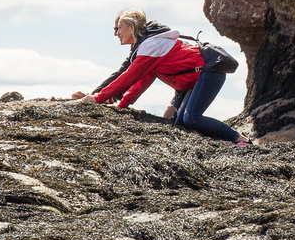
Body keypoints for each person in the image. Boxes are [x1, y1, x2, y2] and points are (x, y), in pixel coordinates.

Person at [73, 9, 249, 145]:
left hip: (209, 73)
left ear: (131, 27)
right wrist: (122, 105)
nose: (116, 33)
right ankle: (227, 141)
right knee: (181, 122)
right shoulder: (146, 47)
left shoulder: (152, 45)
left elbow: (128, 77)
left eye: (119, 28)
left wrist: (98, 98)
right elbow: (142, 82)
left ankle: (240, 139)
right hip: (194, 80)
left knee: (191, 118)